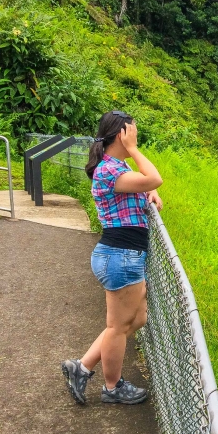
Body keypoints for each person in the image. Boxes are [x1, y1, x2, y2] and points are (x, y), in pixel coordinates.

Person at [60, 111, 158, 405]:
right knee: (118, 327)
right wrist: (136, 150)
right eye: (134, 133)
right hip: (120, 256)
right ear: (122, 135)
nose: (136, 138)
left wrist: (150, 194)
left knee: (136, 319)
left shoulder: (116, 167)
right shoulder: (109, 170)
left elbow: (146, 184)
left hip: (124, 256)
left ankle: (82, 367)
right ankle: (112, 387)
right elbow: (154, 177)